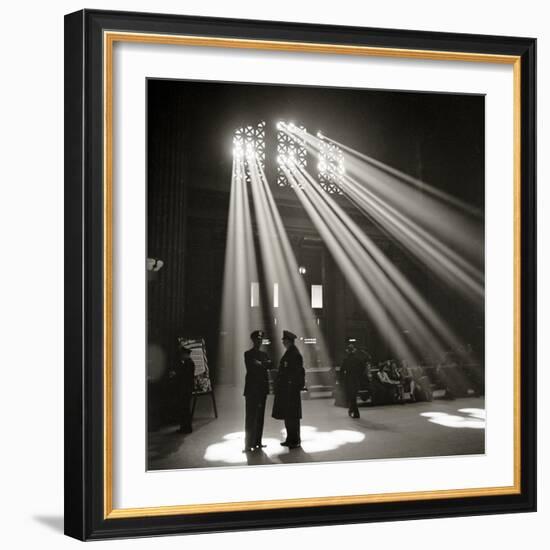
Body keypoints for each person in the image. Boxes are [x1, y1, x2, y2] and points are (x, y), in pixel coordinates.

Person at [272, 330, 305, 449]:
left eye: (284, 341)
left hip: (290, 391)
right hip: (287, 390)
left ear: (289, 341)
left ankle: (295, 440)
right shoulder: (290, 353)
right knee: (288, 416)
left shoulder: (294, 354)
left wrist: (292, 386)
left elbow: (297, 373)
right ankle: (290, 438)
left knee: (292, 417)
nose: (283, 343)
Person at [243, 330, 272, 453]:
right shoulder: (248, 354)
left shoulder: (263, 355)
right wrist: (263, 365)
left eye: (260, 340)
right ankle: (248, 444)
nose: (259, 342)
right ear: (253, 341)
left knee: (260, 417)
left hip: (262, 390)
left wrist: (260, 364)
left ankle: (257, 442)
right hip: (252, 390)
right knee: (250, 417)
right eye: (257, 340)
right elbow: (253, 367)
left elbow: (270, 365)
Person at [170, 342, 195, 434]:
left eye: (182, 354)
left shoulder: (188, 363)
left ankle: (186, 427)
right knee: (185, 409)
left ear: (185, 354)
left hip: (185, 390)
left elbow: (184, 376)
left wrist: (175, 374)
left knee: (185, 409)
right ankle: (185, 427)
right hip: (187, 389)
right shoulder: (189, 363)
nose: (181, 356)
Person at [340, 341, 365, 418]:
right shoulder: (358, 360)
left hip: (348, 380)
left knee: (352, 397)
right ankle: (352, 411)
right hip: (356, 379)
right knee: (353, 396)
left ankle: (354, 412)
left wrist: (342, 379)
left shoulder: (346, 360)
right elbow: (363, 368)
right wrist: (359, 375)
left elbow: (342, 371)